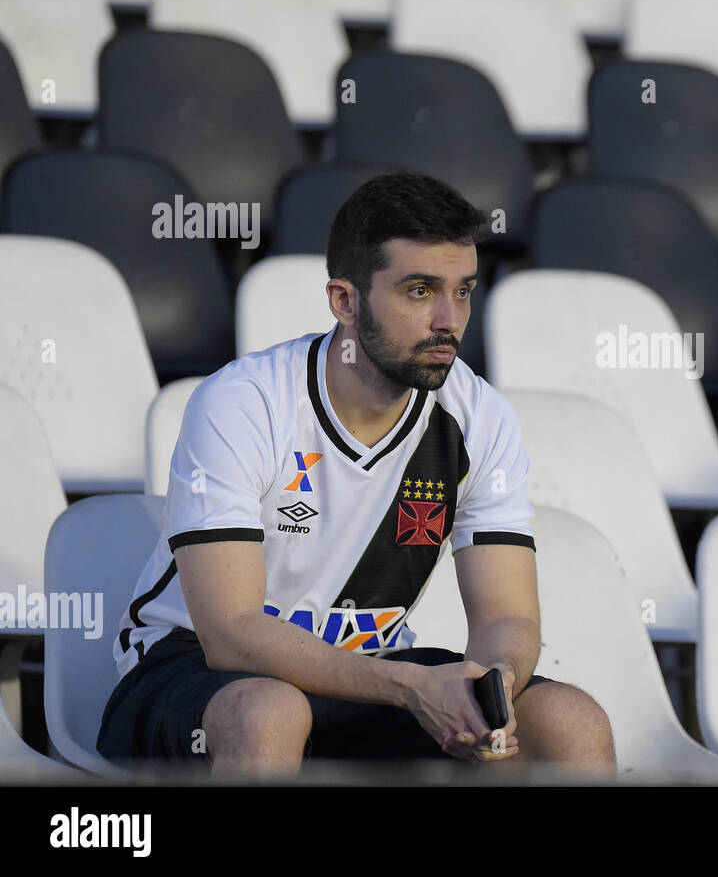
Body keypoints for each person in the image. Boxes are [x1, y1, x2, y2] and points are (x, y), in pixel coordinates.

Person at [98, 172, 615, 777]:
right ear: (345, 301)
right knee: (272, 713)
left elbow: (508, 617)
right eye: (420, 291)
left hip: (368, 673)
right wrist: (408, 687)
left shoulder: (482, 418)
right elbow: (231, 633)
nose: (449, 319)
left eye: (464, 291)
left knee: (571, 720)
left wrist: (488, 687)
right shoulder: (245, 401)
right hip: (193, 673)